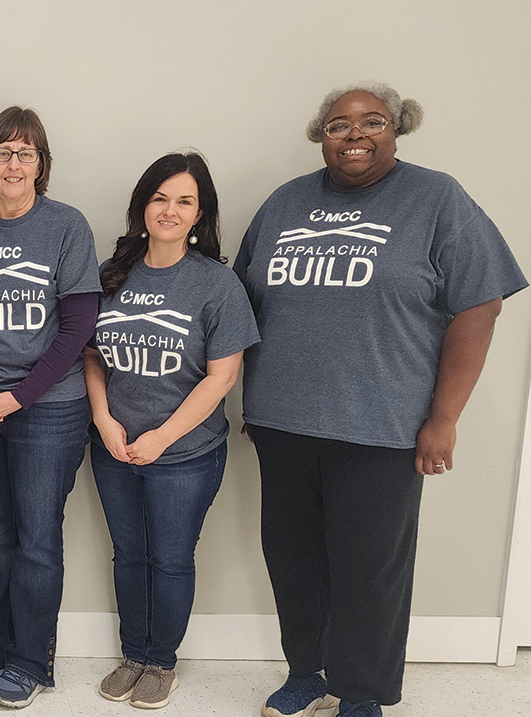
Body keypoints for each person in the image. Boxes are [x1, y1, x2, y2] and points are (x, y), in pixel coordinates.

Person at [234, 82, 526, 717]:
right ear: (322, 136)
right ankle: (307, 672)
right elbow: (243, 304)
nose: (355, 134)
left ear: (398, 128)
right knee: (293, 560)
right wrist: (252, 398)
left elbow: (480, 303)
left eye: (372, 122)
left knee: (371, 570)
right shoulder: (286, 203)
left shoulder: (436, 198)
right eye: (338, 125)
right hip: (282, 424)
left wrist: (444, 418)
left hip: (383, 425)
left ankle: (361, 691)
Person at [85, 153, 259, 710]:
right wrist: (103, 418)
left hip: (185, 453)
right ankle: (132, 653)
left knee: (170, 558)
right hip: (114, 445)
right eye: (160, 197)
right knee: (127, 554)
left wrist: (162, 437)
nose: (170, 209)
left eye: (184, 201)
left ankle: (161, 662)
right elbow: (90, 355)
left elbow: (223, 375)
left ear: (199, 213)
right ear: (142, 207)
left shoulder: (216, 285)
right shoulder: (112, 274)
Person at [0, 106, 99, 709]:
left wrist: (18, 396)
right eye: (2, 152)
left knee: (37, 538)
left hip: (48, 411)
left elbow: (78, 326)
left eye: (25, 153)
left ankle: (32, 660)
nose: (13, 163)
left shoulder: (66, 227)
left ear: (42, 165)